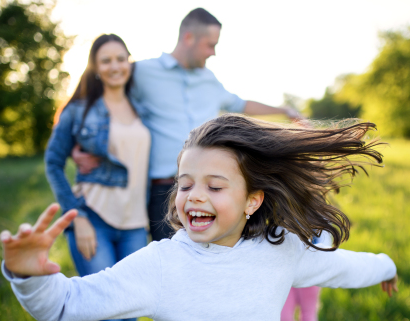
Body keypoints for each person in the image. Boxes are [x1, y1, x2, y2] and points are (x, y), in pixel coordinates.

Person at [0, 115, 399, 321]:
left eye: (215, 185)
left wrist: (385, 265)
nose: (194, 196)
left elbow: (341, 266)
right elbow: (66, 305)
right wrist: (30, 277)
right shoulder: (161, 266)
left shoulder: (281, 250)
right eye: (185, 184)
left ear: (252, 200)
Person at [72, 8, 303, 241]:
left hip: (212, 187)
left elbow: (241, 104)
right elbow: (98, 96)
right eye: (210, 45)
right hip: (164, 191)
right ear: (189, 38)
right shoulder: (142, 72)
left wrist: (285, 111)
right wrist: (77, 145)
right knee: (173, 267)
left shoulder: (209, 79)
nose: (213, 53)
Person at [44, 34, 150, 321]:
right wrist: (78, 217)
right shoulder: (80, 110)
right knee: (108, 316)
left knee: (131, 313)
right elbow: (53, 163)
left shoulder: (141, 107)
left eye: (121, 58)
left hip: (136, 224)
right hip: (94, 221)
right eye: (106, 60)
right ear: (95, 66)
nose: (115, 66)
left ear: (129, 61)